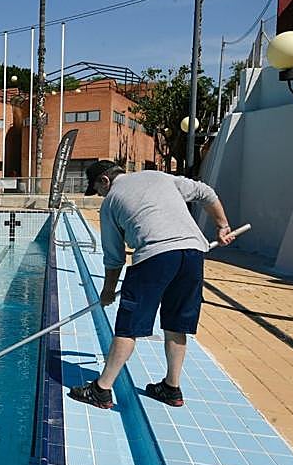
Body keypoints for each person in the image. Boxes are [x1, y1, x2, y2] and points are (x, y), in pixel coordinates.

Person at [69, 160, 234, 410]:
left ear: (105, 181)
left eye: (98, 190)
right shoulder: (159, 177)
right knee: (176, 323)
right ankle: (171, 388)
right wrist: (222, 226)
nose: (100, 196)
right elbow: (205, 192)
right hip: (193, 253)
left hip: (155, 255)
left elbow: (114, 258)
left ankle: (101, 390)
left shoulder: (111, 202)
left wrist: (107, 291)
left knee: (128, 326)